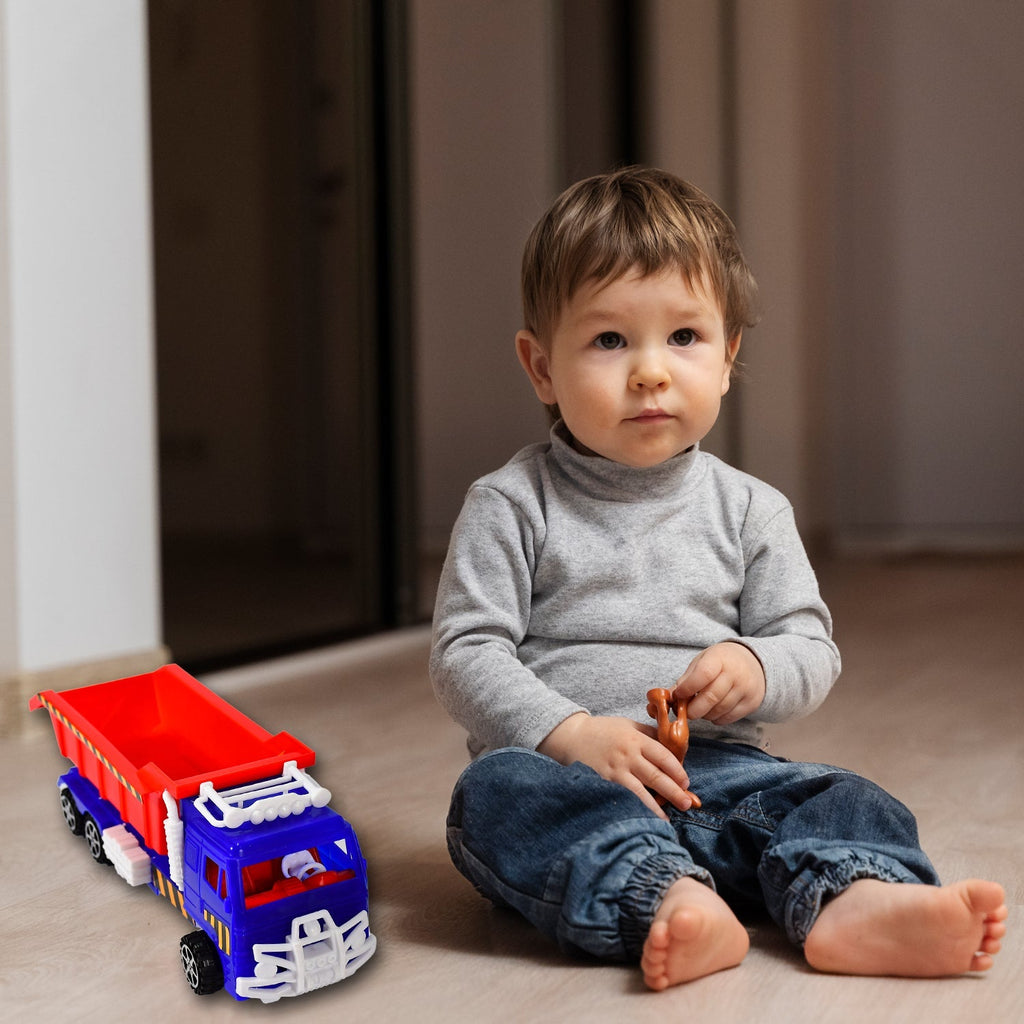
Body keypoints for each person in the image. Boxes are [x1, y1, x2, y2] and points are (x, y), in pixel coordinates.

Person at [429, 167, 1007, 989]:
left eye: (684, 337)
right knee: (492, 795)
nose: (650, 371)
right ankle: (667, 900)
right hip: (573, 781)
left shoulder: (751, 510)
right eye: (609, 340)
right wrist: (570, 732)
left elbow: (810, 646)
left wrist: (756, 665)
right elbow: (466, 652)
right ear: (541, 367)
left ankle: (855, 903)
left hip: (723, 780)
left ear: (729, 355)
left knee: (842, 795)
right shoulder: (511, 504)